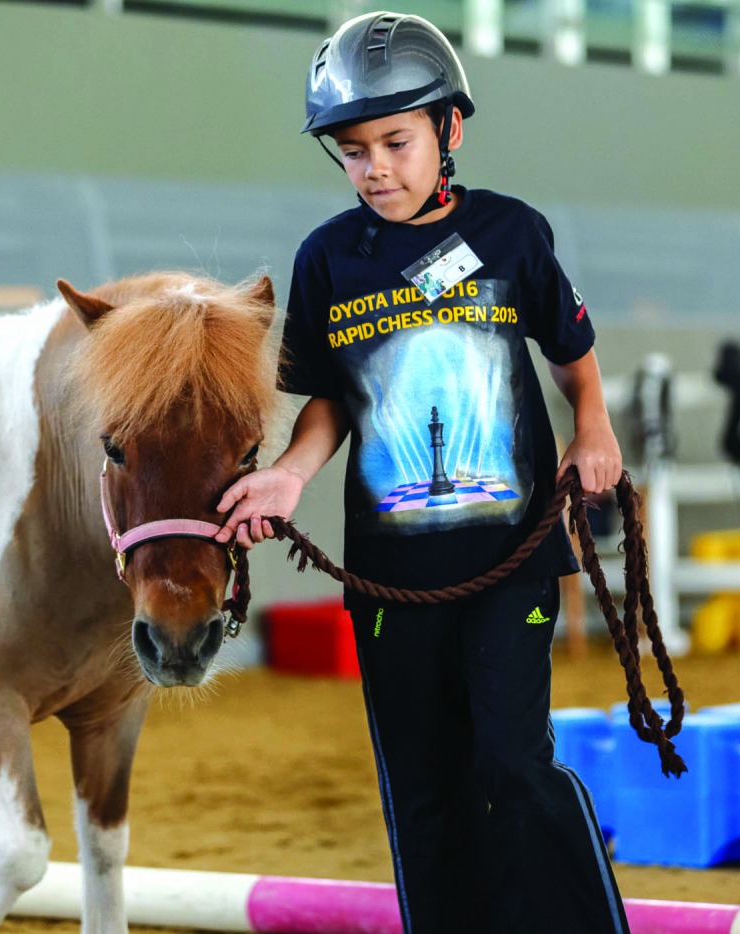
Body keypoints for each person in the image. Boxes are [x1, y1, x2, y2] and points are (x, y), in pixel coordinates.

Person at [215, 11, 626, 933]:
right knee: (425, 787)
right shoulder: (328, 259)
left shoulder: (513, 234)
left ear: (451, 128)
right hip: (389, 581)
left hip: (510, 559)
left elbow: (572, 350)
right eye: (354, 150)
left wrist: (591, 429)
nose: (377, 168)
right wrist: (286, 476)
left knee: (513, 764)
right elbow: (328, 396)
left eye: (396, 141)